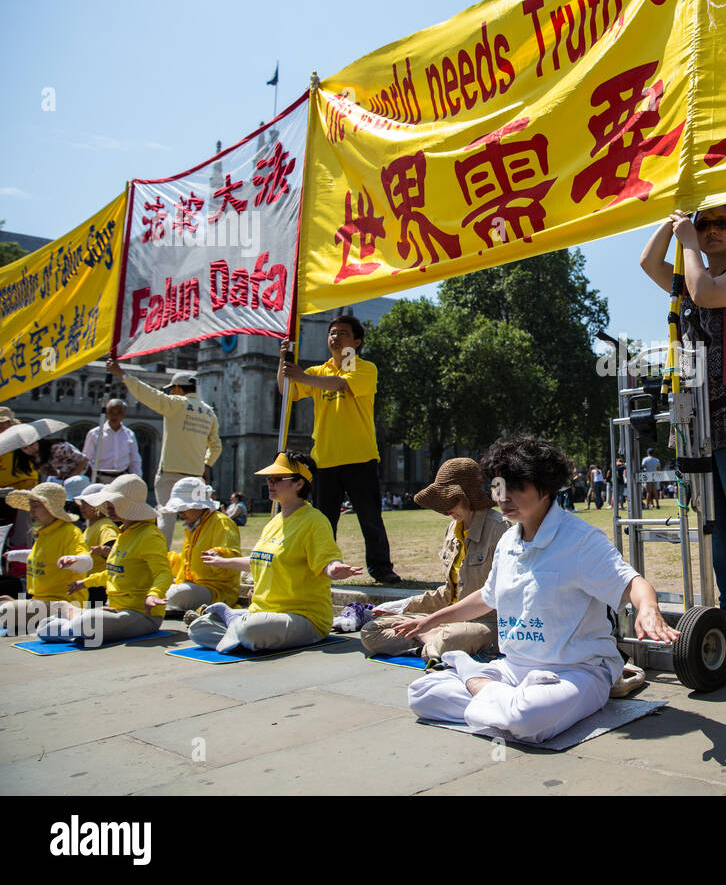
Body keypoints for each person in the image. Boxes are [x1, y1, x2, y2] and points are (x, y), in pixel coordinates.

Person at [405, 437, 679, 742]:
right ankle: (494, 696)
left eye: (516, 487)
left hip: (577, 671)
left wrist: (649, 609)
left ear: (545, 489)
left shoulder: (580, 540)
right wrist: (432, 620)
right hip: (513, 669)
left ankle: (475, 682)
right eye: (498, 487)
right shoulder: (509, 540)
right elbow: (487, 596)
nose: (503, 497)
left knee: (525, 717)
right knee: (421, 693)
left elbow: (632, 583)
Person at [640, 204, 726, 655]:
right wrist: (670, 222)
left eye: (724, 224)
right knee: (716, 524)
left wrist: (687, 242)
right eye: (704, 224)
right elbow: (647, 263)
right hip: (699, 414)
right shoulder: (689, 272)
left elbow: (704, 293)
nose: (713, 231)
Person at [188, 452, 361, 653]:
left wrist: (334, 568)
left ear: (299, 484)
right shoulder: (274, 522)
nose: (270, 483)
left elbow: (327, 560)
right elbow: (260, 560)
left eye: (278, 479)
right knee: (197, 629)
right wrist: (223, 561)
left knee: (250, 629)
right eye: (269, 479)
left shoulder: (315, 521)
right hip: (261, 613)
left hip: (303, 617)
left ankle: (235, 623)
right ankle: (237, 626)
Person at [278, 315, 399, 584]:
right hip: (324, 460)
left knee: (370, 518)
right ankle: (321, 567)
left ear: (357, 341)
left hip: (360, 457)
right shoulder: (319, 371)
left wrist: (302, 375)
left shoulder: (365, 368)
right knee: (323, 522)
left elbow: (342, 384)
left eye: (343, 333)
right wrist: (283, 361)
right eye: (332, 333)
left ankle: (381, 568)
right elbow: (287, 391)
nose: (335, 337)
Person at [361, 458, 510, 663]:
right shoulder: (452, 529)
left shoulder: (500, 529)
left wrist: (431, 621)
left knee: (450, 639)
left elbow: (497, 595)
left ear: (467, 495)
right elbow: (449, 592)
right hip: (446, 620)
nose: (444, 508)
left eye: (450, 500)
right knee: (371, 631)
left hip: (485, 623)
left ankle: (430, 641)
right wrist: (404, 605)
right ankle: (430, 642)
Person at [40, 474, 171, 647]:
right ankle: (75, 627)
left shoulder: (149, 536)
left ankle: (74, 623)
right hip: (115, 609)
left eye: (112, 501)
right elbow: (113, 572)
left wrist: (154, 594)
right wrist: (85, 583)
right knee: (43, 627)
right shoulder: (124, 533)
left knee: (83, 622)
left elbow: (164, 573)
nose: (107, 506)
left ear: (128, 505)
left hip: (143, 615)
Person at [109, 358, 221, 548]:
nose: (171, 392)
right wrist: (207, 464)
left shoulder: (175, 403)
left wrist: (122, 374)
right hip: (195, 474)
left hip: (170, 471)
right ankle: (195, 558)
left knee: (166, 517)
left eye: (172, 389)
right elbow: (216, 445)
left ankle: (161, 555)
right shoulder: (209, 413)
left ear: (178, 388)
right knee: (195, 520)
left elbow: (147, 393)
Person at [0, 483, 89, 636]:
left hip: (62, 603)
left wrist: (74, 560)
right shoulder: (45, 532)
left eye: (36, 506)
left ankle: (66, 618)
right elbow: (38, 555)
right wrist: (14, 555)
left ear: (50, 507)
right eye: (31, 506)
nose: (31, 511)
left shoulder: (69, 532)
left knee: (5, 611)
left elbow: (87, 562)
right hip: (41, 601)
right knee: (3, 604)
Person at [160, 476, 242, 614]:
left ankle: (157, 605)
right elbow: (187, 564)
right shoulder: (193, 526)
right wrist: (163, 560)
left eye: (184, 507)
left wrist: (219, 555)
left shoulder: (221, 523)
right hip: (193, 586)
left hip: (217, 591)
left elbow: (233, 559)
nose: (180, 513)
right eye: (179, 508)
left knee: (180, 593)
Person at [75, 483, 118, 606]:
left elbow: (114, 553)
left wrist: (104, 550)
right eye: (81, 503)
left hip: (99, 587)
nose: (82, 507)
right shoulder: (90, 527)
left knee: (94, 622)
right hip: (88, 584)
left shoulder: (105, 526)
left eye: (87, 503)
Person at [81, 399, 143, 484]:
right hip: (99, 478)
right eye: (111, 412)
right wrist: (93, 477)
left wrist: (137, 479)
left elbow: (134, 459)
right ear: (106, 413)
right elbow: (87, 458)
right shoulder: (95, 433)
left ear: (124, 414)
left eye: (119, 412)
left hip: (122, 479)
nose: (114, 415)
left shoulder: (129, 434)